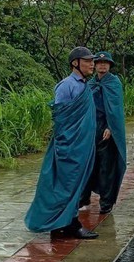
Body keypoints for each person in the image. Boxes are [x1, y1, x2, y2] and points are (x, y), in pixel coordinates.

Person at [25, 46, 99, 239]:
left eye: (93, 61)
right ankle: (71, 223)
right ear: (75, 63)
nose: (92, 64)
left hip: (83, 146)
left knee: (77, 184)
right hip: (70, 147)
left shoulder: (84, 85)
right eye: (88, 61)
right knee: (67, 185)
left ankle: (61, 225)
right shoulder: (66, 86)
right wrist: (66, 145)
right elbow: (62, 119)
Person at [80, 51, 127, 215]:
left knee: (106, 167)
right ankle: (83, 198)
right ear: (94, 65)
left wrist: (111, 127)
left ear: (109, 66)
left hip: (106, 131)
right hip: (91, 129)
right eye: (99, 63)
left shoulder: (114, 83)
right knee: (88, 165)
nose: (102, 65)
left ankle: (106, 202)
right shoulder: (90, 84)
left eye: (106, 63)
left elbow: (116, 109)